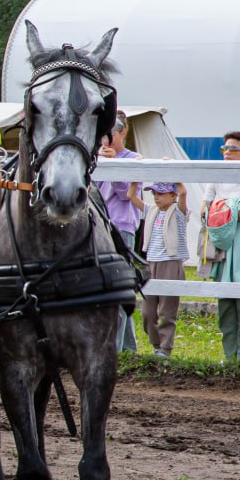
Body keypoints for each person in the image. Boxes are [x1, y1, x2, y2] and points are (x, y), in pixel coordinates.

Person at [201, 132, 240, 359]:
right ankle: (230, 359)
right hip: (220, 245)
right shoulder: (216, 175)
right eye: (224, 149)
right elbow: (205, 209)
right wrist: (234, 205)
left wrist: (221, 208)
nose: (227, 153)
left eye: (233, 149)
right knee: (225, 306)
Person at [98, 111, 142, 353]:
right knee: (108, 290)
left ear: (123, 132)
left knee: (120, 288)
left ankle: (116, 350)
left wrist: (113, 163)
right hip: (100, 226)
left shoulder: (135, 159)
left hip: (121, 227)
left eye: (111, 134)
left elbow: (125, 192)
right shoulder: (96, 157)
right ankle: (126, 349)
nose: (106, 140)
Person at [140, 181, 187, 357]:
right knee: (147, 312)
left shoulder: (179, 213)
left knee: (167, 310)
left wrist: (175, 177)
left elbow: (183, 192)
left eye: (161, 193)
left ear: (172, 196)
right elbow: (131, 197)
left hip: (170, 262)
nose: (156, 197)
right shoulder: (151, 211)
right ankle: (156, 343)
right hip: (152, 262)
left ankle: (165, 348)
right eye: (154, 194)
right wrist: (136, 179)